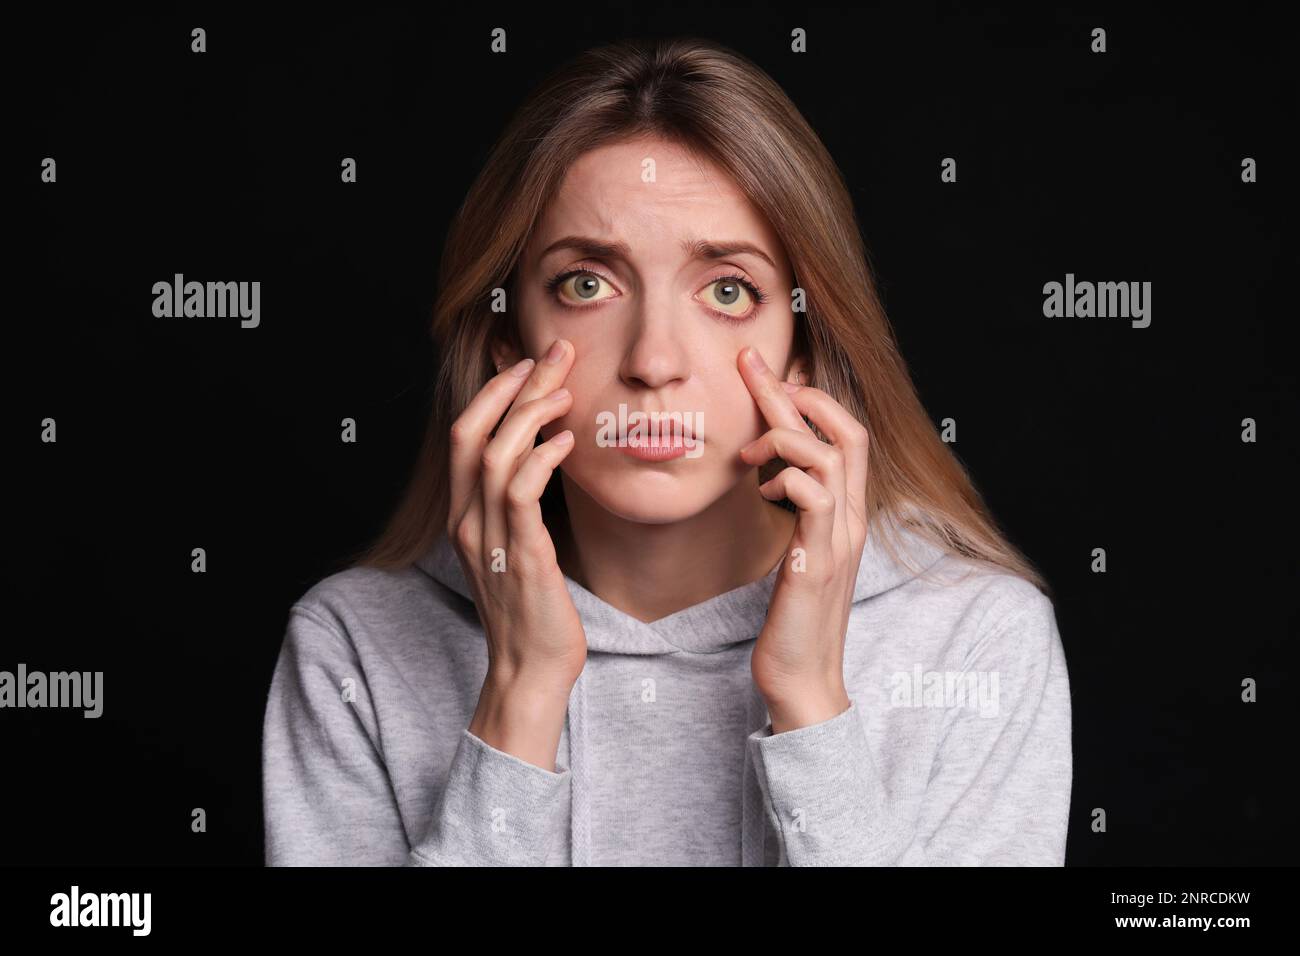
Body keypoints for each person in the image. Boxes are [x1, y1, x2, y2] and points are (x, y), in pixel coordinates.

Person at [262, 36, 1072, 866]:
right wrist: (521, 694)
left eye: (727, 291)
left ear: (803, 342)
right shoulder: (354, 645)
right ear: (509, 340)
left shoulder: (974, 639)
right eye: (587, 284)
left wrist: (811, 704)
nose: (653, 361)